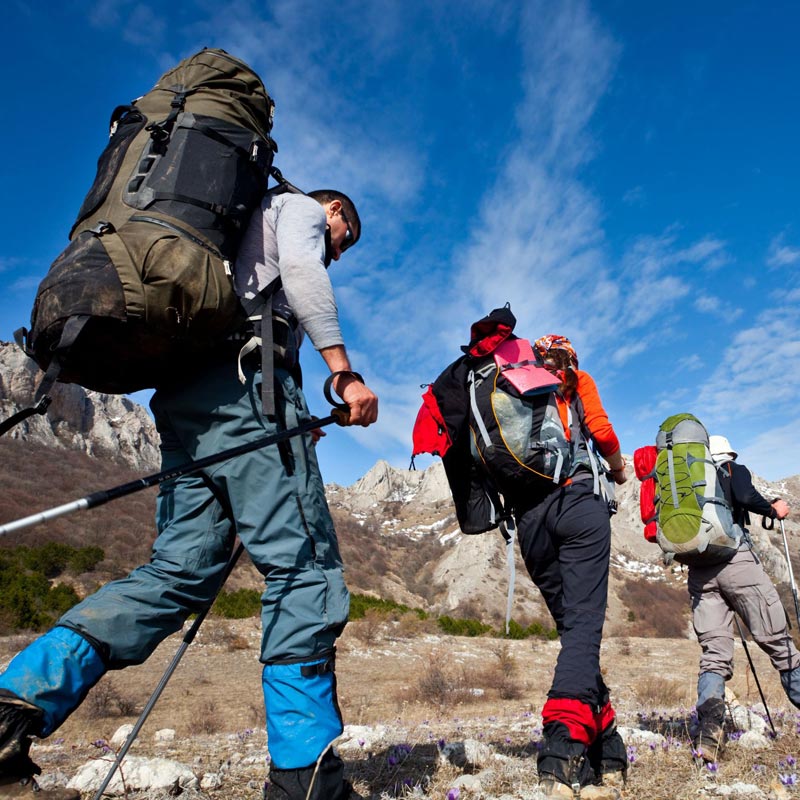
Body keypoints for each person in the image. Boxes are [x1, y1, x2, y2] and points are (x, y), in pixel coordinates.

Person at [0, 188, 378, 800]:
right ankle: (307, 783)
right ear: (333, 211)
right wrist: (342, 369)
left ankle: (9, 712)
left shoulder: (227, 227)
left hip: (182, 401)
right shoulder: (299, 208)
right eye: (346, 237)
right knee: (302, 571)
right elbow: (306, 274)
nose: (340, 249)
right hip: (245, 389)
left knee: (176, 573)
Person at [514, 335, 627, 799]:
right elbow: (600, 430)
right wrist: (618, 469)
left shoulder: (514, 387)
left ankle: (608, 745)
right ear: (569, 360)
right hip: (578, 503)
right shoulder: (576, 380)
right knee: (582, 625)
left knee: (573, 630)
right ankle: (562, 745)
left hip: (530, 519)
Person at [689, 435, 798, 762]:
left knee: (714, 655)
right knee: (779, 643)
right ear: (727, 455)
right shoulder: (732, 470)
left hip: (700, 573)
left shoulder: (689, 482)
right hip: (737, 562)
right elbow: (745, 495)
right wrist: (773, 509)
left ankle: (709, 736)